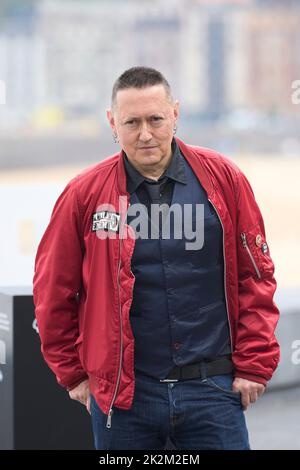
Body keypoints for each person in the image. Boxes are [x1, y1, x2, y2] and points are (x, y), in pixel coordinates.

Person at [33, 66, 280, 450]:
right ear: (112, 122)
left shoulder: (224, 180)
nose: (145, 133)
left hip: (212, 391)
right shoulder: (83, 195)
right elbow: (52, 291)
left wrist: (254, 364)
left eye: (155, 119)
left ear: (175, 114)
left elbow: (257, 277)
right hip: (125, 395)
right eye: (132, 122)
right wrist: (74, 376)